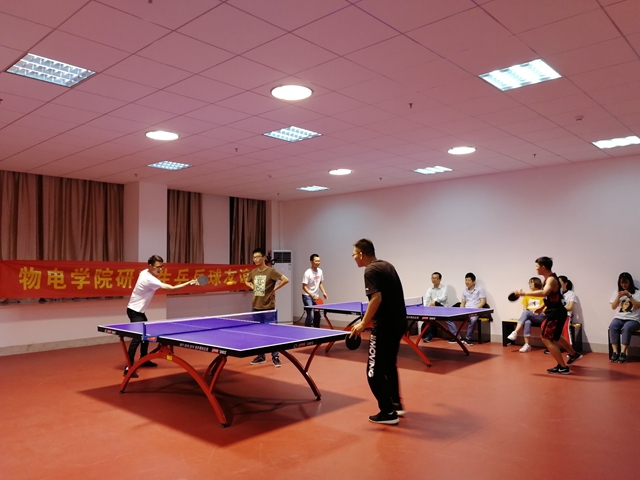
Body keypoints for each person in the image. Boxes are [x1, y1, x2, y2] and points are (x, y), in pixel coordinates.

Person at [349, 239, 406, 425]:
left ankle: (387, 412)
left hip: (384, 326)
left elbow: (376, 298)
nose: (353, 258)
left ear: (361, 254)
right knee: (389, 365)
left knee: (372, 371)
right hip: (399, 323)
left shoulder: (370, 270)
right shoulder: (387, 265)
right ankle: (396, 404)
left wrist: (363, 323)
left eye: (354, 254)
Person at [125, 255, 198, 377]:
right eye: (158, 267)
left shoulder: (144, 272)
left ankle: (144, 359)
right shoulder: (149, 279)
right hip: (134, 311)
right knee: (137, 338)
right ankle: (128, 367)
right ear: (150, 266)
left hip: (138, 311)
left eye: (162, 267)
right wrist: (188, 283)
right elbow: (172, 288)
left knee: (145, 336)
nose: (160, 269)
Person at [512, 257, 582, 375]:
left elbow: (544, 292)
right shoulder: (548, 279)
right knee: (556, 337)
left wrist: (523, 293)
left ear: (543, 267)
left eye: (537, 266)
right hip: (556, 311)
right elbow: (550, 297)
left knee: (546, 338)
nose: (535, 269)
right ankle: (573, 354)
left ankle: (563, 367)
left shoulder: (551, 280)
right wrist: (541, 307)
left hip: (555, 313)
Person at [245, 247, 290, 367]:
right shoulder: (253, 272)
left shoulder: (271, 271)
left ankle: (275, 357)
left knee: (272, 334)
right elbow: (247, 281)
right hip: (256, 307)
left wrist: (274, 289)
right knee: (258, 333)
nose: (256, 259)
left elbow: (285, 280)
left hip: (268, 307)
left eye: (258, 257)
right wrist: (252, 286)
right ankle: (261, 356)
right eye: (254, 257)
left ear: (264, 257)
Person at [608, 272, 640, 363]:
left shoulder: (637, 293)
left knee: (627, 327)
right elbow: (613, 307)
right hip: (619, 318)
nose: (623, 285)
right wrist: (618, 297)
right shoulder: (617, 292)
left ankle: (623, 353)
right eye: (621, 283)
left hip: (633, 319)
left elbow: (637, 306)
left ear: (630, 282)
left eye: (625, 282)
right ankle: (615, 352)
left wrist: (629, 296)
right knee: (612, 326)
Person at [506, 277, 545, 352]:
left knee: (526, 312)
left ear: (537, 283)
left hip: (541, 316)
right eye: (529, 283)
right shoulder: (527, 295)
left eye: (531, 282)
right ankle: (527, 345)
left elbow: (545, 308)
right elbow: (524, 308)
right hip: (530, 316)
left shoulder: (542, 294)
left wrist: (533, 312)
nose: (529, 284)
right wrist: (529, 314)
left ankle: (515, 332)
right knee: (527, 322)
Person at [302, 254, 328, 328]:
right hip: (307, 296)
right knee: (311, 315)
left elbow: (320, 283)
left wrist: (324, 292)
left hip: (316, 297)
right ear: (311, 262)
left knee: (317, 315)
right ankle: (307, 330)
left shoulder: (320, 271)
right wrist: (311, 294)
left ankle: (317, 331)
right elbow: (304, 287)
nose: (318, 262)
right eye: (316, 261)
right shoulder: (307, 273)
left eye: (319, 261)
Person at [459, 272, 486, 346]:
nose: (467, 282)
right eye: (466, 280)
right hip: (466, 310)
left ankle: (468, 338)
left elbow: (482, 302)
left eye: (469, 280)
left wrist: (475, 309)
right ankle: (457, 337)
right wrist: (461, 310)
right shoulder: (464, 290)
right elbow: (463, 302)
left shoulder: (480, 289)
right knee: (451, 319)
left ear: (473, 281)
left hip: (476, 310)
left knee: (473, 320)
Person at [421, 272, 448, 342]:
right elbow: (426, 299)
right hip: (433, 310)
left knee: (435, 303)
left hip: (442, 308)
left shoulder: (444, 288)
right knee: (428, 318)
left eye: (436, 278)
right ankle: (429, 336)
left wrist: (434, 301)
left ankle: (429, 336)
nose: (434, 280)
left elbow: (443, 298)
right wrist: (424, 308)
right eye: (432, 278)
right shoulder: (430, 289)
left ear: (440, 279)